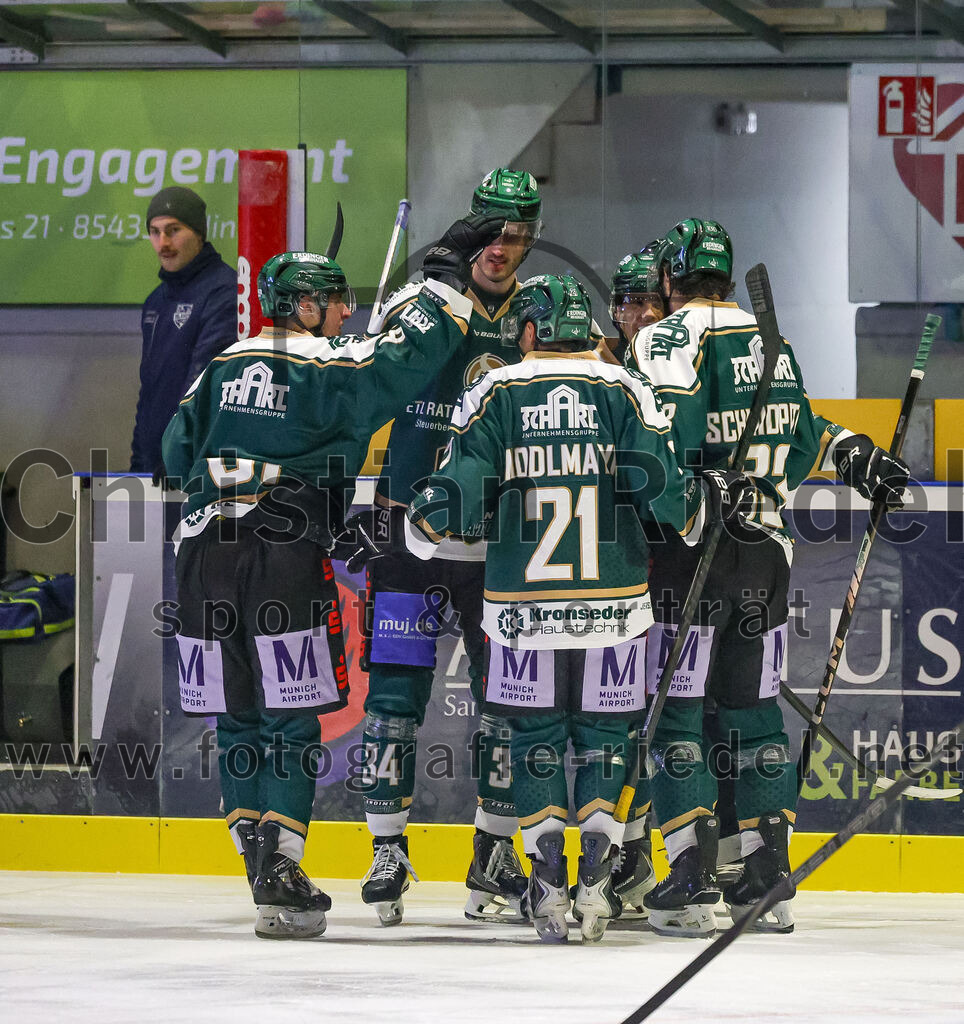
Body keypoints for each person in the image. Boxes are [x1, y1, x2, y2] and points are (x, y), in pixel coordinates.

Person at [346, 273, 751, 943]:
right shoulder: (622, 387)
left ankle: (548, 880)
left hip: (521, 613)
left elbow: (458, 492)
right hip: (614, 609)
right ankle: (598, 873)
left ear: (529, 331)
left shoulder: (497, 390)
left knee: (531, 744)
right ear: (582, 327)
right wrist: (707, 502)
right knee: (605, 742)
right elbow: (665, 490)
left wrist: (409, 528)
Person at [160, 214, 504, 940]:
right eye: (337, 301)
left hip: (199, 555)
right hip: (277, 554)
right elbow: (404, 363)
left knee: (239, 716)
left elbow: (171, 451)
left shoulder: (220, 364)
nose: (348, 313)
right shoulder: (326, 366)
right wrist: (442, 282)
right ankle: (280, 868)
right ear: (308, 306)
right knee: (290, 715)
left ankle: (259, 863)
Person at [625, 218, 911, 937]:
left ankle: (690, 880)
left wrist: (680, 509)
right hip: (768, 556)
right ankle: (765, 877)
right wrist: (855, 454)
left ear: (670, 280)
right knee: (754, 717)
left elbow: (663, 444)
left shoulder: (667, 337)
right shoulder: (771, 343)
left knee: (678, 715)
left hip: (697, 554)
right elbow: (802, 429)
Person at [355, 169, 545, 926]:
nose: (506, 248)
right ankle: (387, 849)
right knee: (395, 698)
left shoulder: (539, 312)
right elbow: (364, 375)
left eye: (521, 235)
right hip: (408, 533)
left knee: (507, 701)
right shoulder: (419, 300)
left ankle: (494, 852)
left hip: (498, 544)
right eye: (494, 232)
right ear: (471, 230)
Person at [131, 186, 238, 474]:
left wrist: (179, 452)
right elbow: (150, 390)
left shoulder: (225, 292)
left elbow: (207, 382)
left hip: (199, 468)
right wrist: (139, 462)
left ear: (199, 234)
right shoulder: (155, 301)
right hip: (156, 467)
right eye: (155, 232)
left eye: (173, 230)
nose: (162, 242)